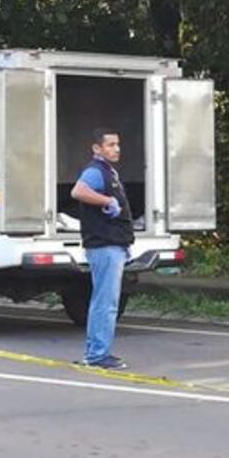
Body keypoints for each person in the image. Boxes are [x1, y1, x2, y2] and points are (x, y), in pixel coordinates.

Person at [70, 127, 134, 369]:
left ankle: (97, 352)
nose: (116, 149)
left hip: (112, 244)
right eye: (110, 145)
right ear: (97, 148)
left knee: (105, 301)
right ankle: (97, 355)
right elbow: (78, 191)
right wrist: (108, 200)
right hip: (104, 244)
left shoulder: (108, 172)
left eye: (117, 144)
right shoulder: (95, 171)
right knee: (105, 302)